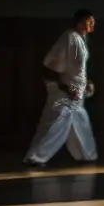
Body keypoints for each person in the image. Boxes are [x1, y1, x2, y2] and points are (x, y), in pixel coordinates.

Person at [24, 9, 98, 167]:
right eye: (88, 20)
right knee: (54, 123)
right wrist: (65, 87)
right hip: (63, 93)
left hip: (77, 93)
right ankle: (35, 157)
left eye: (93, 21)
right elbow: (49, 68)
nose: (92, 24)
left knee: (80, 123)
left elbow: (79, 68)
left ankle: (87, 155)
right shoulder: (69, 38)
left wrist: (87, 82)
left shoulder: (82, 40)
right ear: (79, 22)